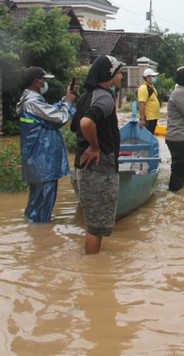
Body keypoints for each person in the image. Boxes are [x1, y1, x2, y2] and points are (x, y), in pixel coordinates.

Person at [72, 55, 125, 254]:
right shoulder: (104, 97)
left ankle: (93, 267)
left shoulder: (87, 96)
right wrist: (95, 146)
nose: (121, 76)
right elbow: (86, 123)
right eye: (118, 72)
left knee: (93, 223)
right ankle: (92, 273)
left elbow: (76, 127)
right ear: (109, 74)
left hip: (82, 169)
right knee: (95, 228)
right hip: (98, 171)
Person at [16, 66, 76, 223]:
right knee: (42, 206)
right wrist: (68, 104)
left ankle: (35, 231)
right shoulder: (33, 102)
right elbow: (60, 117)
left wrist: (65, 100)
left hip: (37, 162)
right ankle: (40, 237)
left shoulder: (31, 101)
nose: (45, 84)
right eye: (43, 80)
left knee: (36, 203)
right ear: (36, 82)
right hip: (43, 163)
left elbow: (49, 112)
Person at [137, 68, 160, 134]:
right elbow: (142, 104)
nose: (154, 78)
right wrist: (142, 120)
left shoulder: (151, 87)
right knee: (147, 136)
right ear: (147, 77)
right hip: (148, 118)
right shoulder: (143, 88)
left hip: (154, 117)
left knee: (151, 135)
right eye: (153, 76)